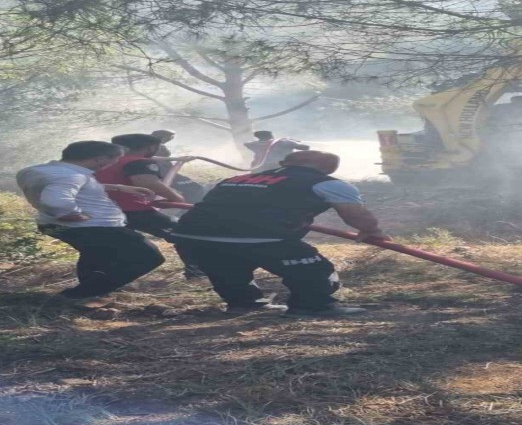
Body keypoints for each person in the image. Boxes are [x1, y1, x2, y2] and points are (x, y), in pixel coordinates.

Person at [172, 150, 389, 317]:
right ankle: (312, 306)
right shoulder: (327, 183)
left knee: (227, 268)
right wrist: (372, 231)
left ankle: (243, 303)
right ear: (330, 168)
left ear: (285, 163)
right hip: (259, 235)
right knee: (314, 269)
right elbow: (354, 214)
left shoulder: (237, 178)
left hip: (192, 235)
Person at [16, 141, 165, 299]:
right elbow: (56, 201)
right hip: (90, 227)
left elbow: (62, 185)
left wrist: (117, 187)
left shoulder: (36, 170)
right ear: (100, 159)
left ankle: (91, 288)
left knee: (95, 253)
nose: (112, 164)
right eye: (113, 160)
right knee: (148, 257)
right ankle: (81, 294)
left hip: (51, 225)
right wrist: (71, 214)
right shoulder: (72, 176)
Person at [95, 134, 204, 279]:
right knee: (186, 233)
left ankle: (97, 279)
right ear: (150, 147)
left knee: (109, 248)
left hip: (103, 212)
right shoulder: (137, 162)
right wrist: (176, 198)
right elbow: (148, 182)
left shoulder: (103, 162)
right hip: (131, 210)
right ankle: (197, 271)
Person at [151, 128, 206, 204]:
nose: (170, 139)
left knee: (194, 188)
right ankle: (192, 208)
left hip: (166, 172)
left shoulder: (156, 145)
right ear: (163, 138)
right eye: (169, 137)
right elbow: (151, 157)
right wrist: (178, 159)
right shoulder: (153, 146)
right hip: (163, 174)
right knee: (195, 188)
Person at [244, 130, 310, 173]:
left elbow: (246, 143)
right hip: (280, 166)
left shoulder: (253, 144)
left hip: (260, 167)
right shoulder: (285, 142)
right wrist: (293, 141)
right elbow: (305, 147)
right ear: (271, 135)